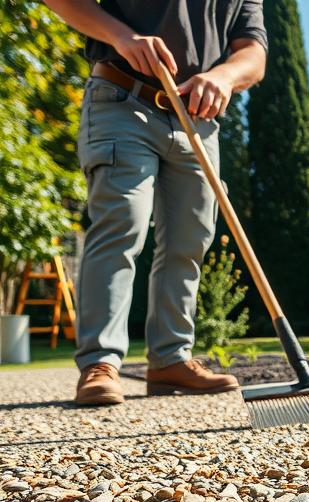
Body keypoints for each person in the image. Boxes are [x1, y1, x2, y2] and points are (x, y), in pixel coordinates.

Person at [43, 0, 268, 405]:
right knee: (121, 223)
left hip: (196, 120)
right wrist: (122, 37)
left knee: (190, 240)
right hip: (121, 98)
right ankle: (100, 363)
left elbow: (253, 52)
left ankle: (170, 359)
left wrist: (223, 76)